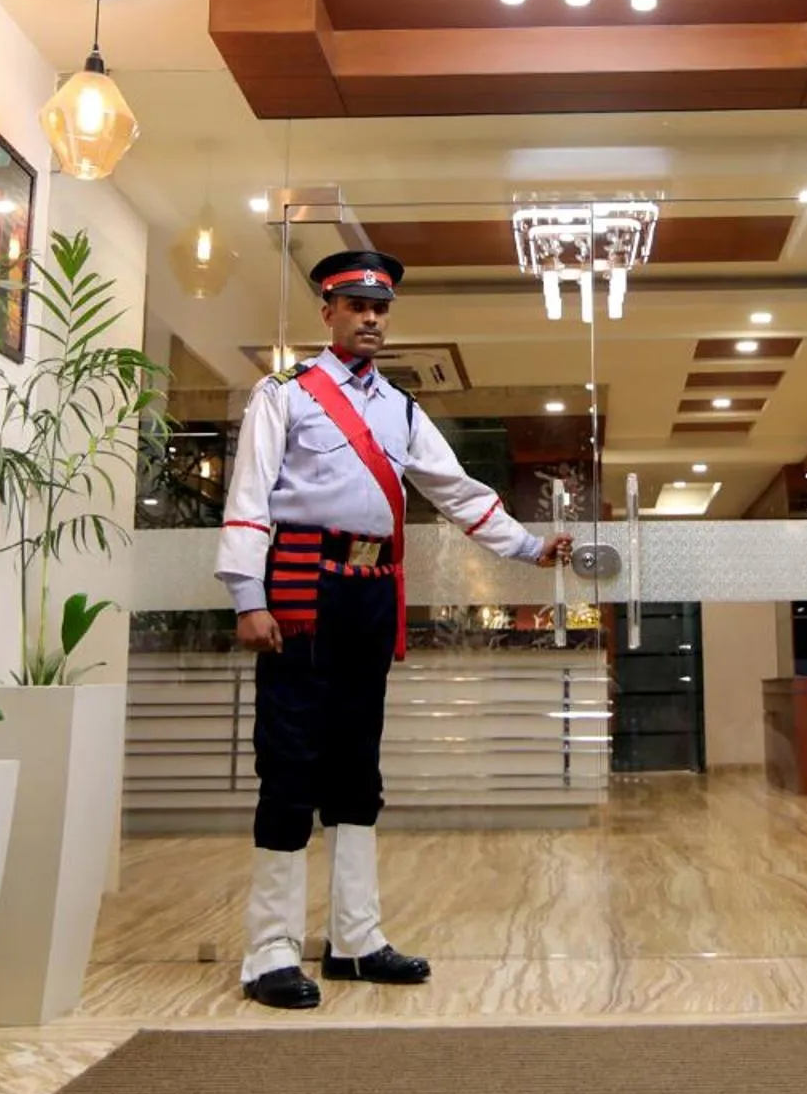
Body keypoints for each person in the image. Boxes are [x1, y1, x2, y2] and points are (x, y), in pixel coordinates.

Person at [216, 249, 574, 1010]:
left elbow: (456, 491)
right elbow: (248, 495)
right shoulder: (285, 394)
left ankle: (355, 937)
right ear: (328, 313)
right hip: (299, 585)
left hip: (372, 591)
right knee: (290, 763)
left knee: (357, 765)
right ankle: (269, 949)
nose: (371, 318)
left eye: (381, 308)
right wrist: (248, 596)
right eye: (356, 306)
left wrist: (529, 546)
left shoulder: (403, 410)